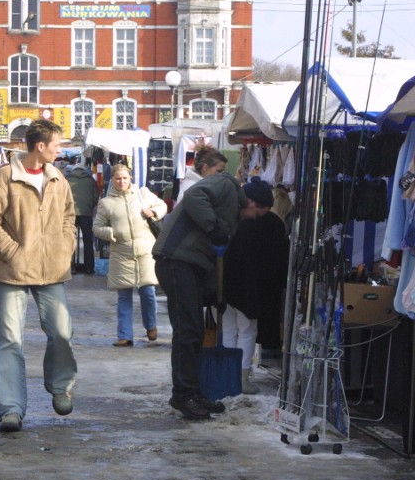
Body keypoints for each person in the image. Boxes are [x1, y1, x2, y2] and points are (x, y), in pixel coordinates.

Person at [0, 120, 78, 433]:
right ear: (40, 146)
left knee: (61, 331)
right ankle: (10, 409)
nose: (60, 151)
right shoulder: (6, 177)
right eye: (56, 145)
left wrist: (65, 247)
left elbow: (68, 217)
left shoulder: (58, 179)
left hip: (52, 270)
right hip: (13, 271)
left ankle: (60, 386)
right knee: (8, 340)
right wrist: (12, 251)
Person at [152, 171, 270, 420]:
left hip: (190, 265)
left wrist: (215, 291)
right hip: (176, 260)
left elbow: (214, 254)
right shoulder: (227, 185)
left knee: (193, 332)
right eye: (257, 214)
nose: (253, 219)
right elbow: (194, 195)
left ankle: (192, 391)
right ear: (252, 203)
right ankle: (183, 394)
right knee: (188, 331)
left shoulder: (234, 217)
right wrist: (213, 225)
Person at [222, 177, 287, 394]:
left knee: (230, 329)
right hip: (251, 288)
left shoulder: (231, 216)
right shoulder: (272, 224)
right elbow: (276, 263)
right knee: (247, 330)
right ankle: (242, 377)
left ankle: (229, 376)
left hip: (226, 285)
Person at [94, 164, 167, 347]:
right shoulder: (106, 203)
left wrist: (154, 212)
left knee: (148, 292)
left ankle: (151, 326)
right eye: (118, 178)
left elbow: (163, 205)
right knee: (123, 295)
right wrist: (110, 233)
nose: (121, 182)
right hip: (121, 253)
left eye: (125, 178)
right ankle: (125, 335)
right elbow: (97, 227)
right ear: (112, 180)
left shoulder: (143, 195)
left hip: (145, 251)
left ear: (130, 179)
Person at [65, 160, 99, 274]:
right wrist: (89, 207)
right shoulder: (90, 180)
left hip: (70, 214)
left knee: (70, 240)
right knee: (88, 241)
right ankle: (89, 268)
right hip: (86, 214)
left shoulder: (67, 180)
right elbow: (95, 197)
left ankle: (71, 268)